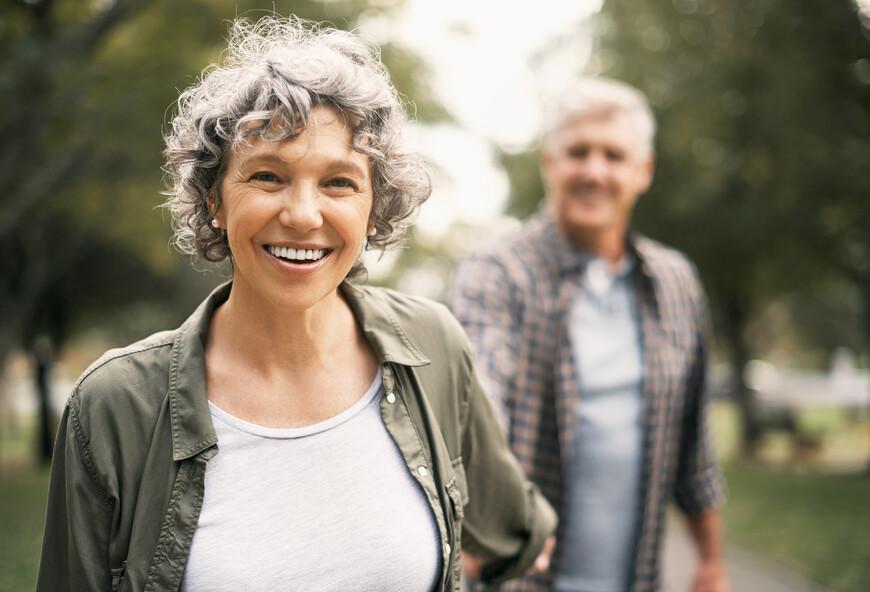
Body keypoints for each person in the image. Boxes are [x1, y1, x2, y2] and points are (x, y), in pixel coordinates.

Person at [36, 16, 556, 592]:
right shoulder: (113, 407)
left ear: (373, 207)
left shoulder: (431, 345)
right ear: (214, 199)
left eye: (339, 182)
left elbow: (516, 533)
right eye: (267, 176)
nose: (304, 215)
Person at [449, 77, 729, 592]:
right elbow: (479, 396)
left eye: (613, 155)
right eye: (578, 152)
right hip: (520, 580)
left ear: (642, 171)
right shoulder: (497, 273)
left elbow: (694, 444)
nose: (594, 171)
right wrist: (475, 506)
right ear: (549, 164)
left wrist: (711, 561)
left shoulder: (675, 282)